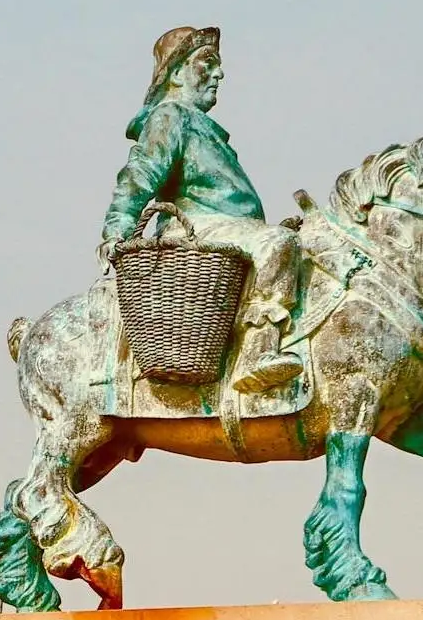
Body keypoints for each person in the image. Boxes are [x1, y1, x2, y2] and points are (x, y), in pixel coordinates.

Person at [100, 26, 304, 395]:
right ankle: (257, 355)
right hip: (197, 233)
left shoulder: (205, 129)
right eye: (206, 63)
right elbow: (141, 173)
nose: (219, 74)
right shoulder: (172, 116)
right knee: (278, 243)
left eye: (218, 64)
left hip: (227, 232)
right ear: (177, 73)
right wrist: (117, 226)